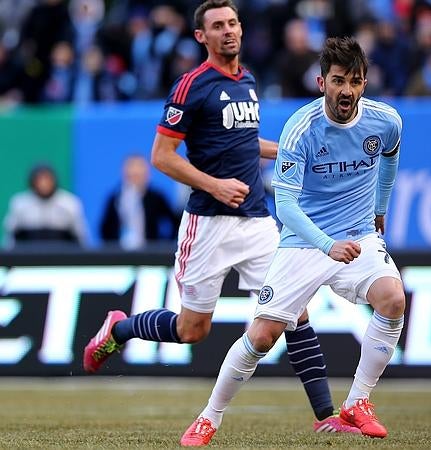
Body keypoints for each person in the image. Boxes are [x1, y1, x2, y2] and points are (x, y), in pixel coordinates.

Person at [82, 0, 359, 437]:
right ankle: (121, 326)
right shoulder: (192, 85)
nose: (228, 30)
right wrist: (213, 185)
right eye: (217, 25)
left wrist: (295, 152)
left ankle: (327, 418)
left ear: (241, 29)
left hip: (257, 222)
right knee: (193, 329)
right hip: (209, 223)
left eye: (232, 23)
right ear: (201, 36)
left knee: (295, 311)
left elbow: (247, 143)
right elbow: (162, 157)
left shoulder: (248, 79)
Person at [179, 36, 405, 446]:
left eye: (355, 81)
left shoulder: (386, 121)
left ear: (365, 83)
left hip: (358, 236)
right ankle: (209, 416)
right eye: (338, 81)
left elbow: (389, 157)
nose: (347, 91)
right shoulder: (301, 128)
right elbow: (285, 204)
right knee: (262, 336)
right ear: (322, 83)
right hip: (303, 242)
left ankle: (357, 403)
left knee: (393, 299)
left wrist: (379, 206)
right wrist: (326, 245)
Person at [100, 154, 180, 250]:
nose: (135, 176)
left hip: (150, 252)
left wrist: (163, 244)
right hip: (120, 252)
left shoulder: (156, 198)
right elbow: (105, 228)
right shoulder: (115, 198)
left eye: (139, 174)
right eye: (132, 175)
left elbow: (173, 222)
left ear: (147, 175)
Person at [3, 163, 89, 248]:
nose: (44, 184)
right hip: (28, 256)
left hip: (62, 257)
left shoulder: (69, 203)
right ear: (32, 182)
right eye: (39, 180)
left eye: (47, 179)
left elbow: (81, 237)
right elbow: (10, 238)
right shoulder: (20, 203)